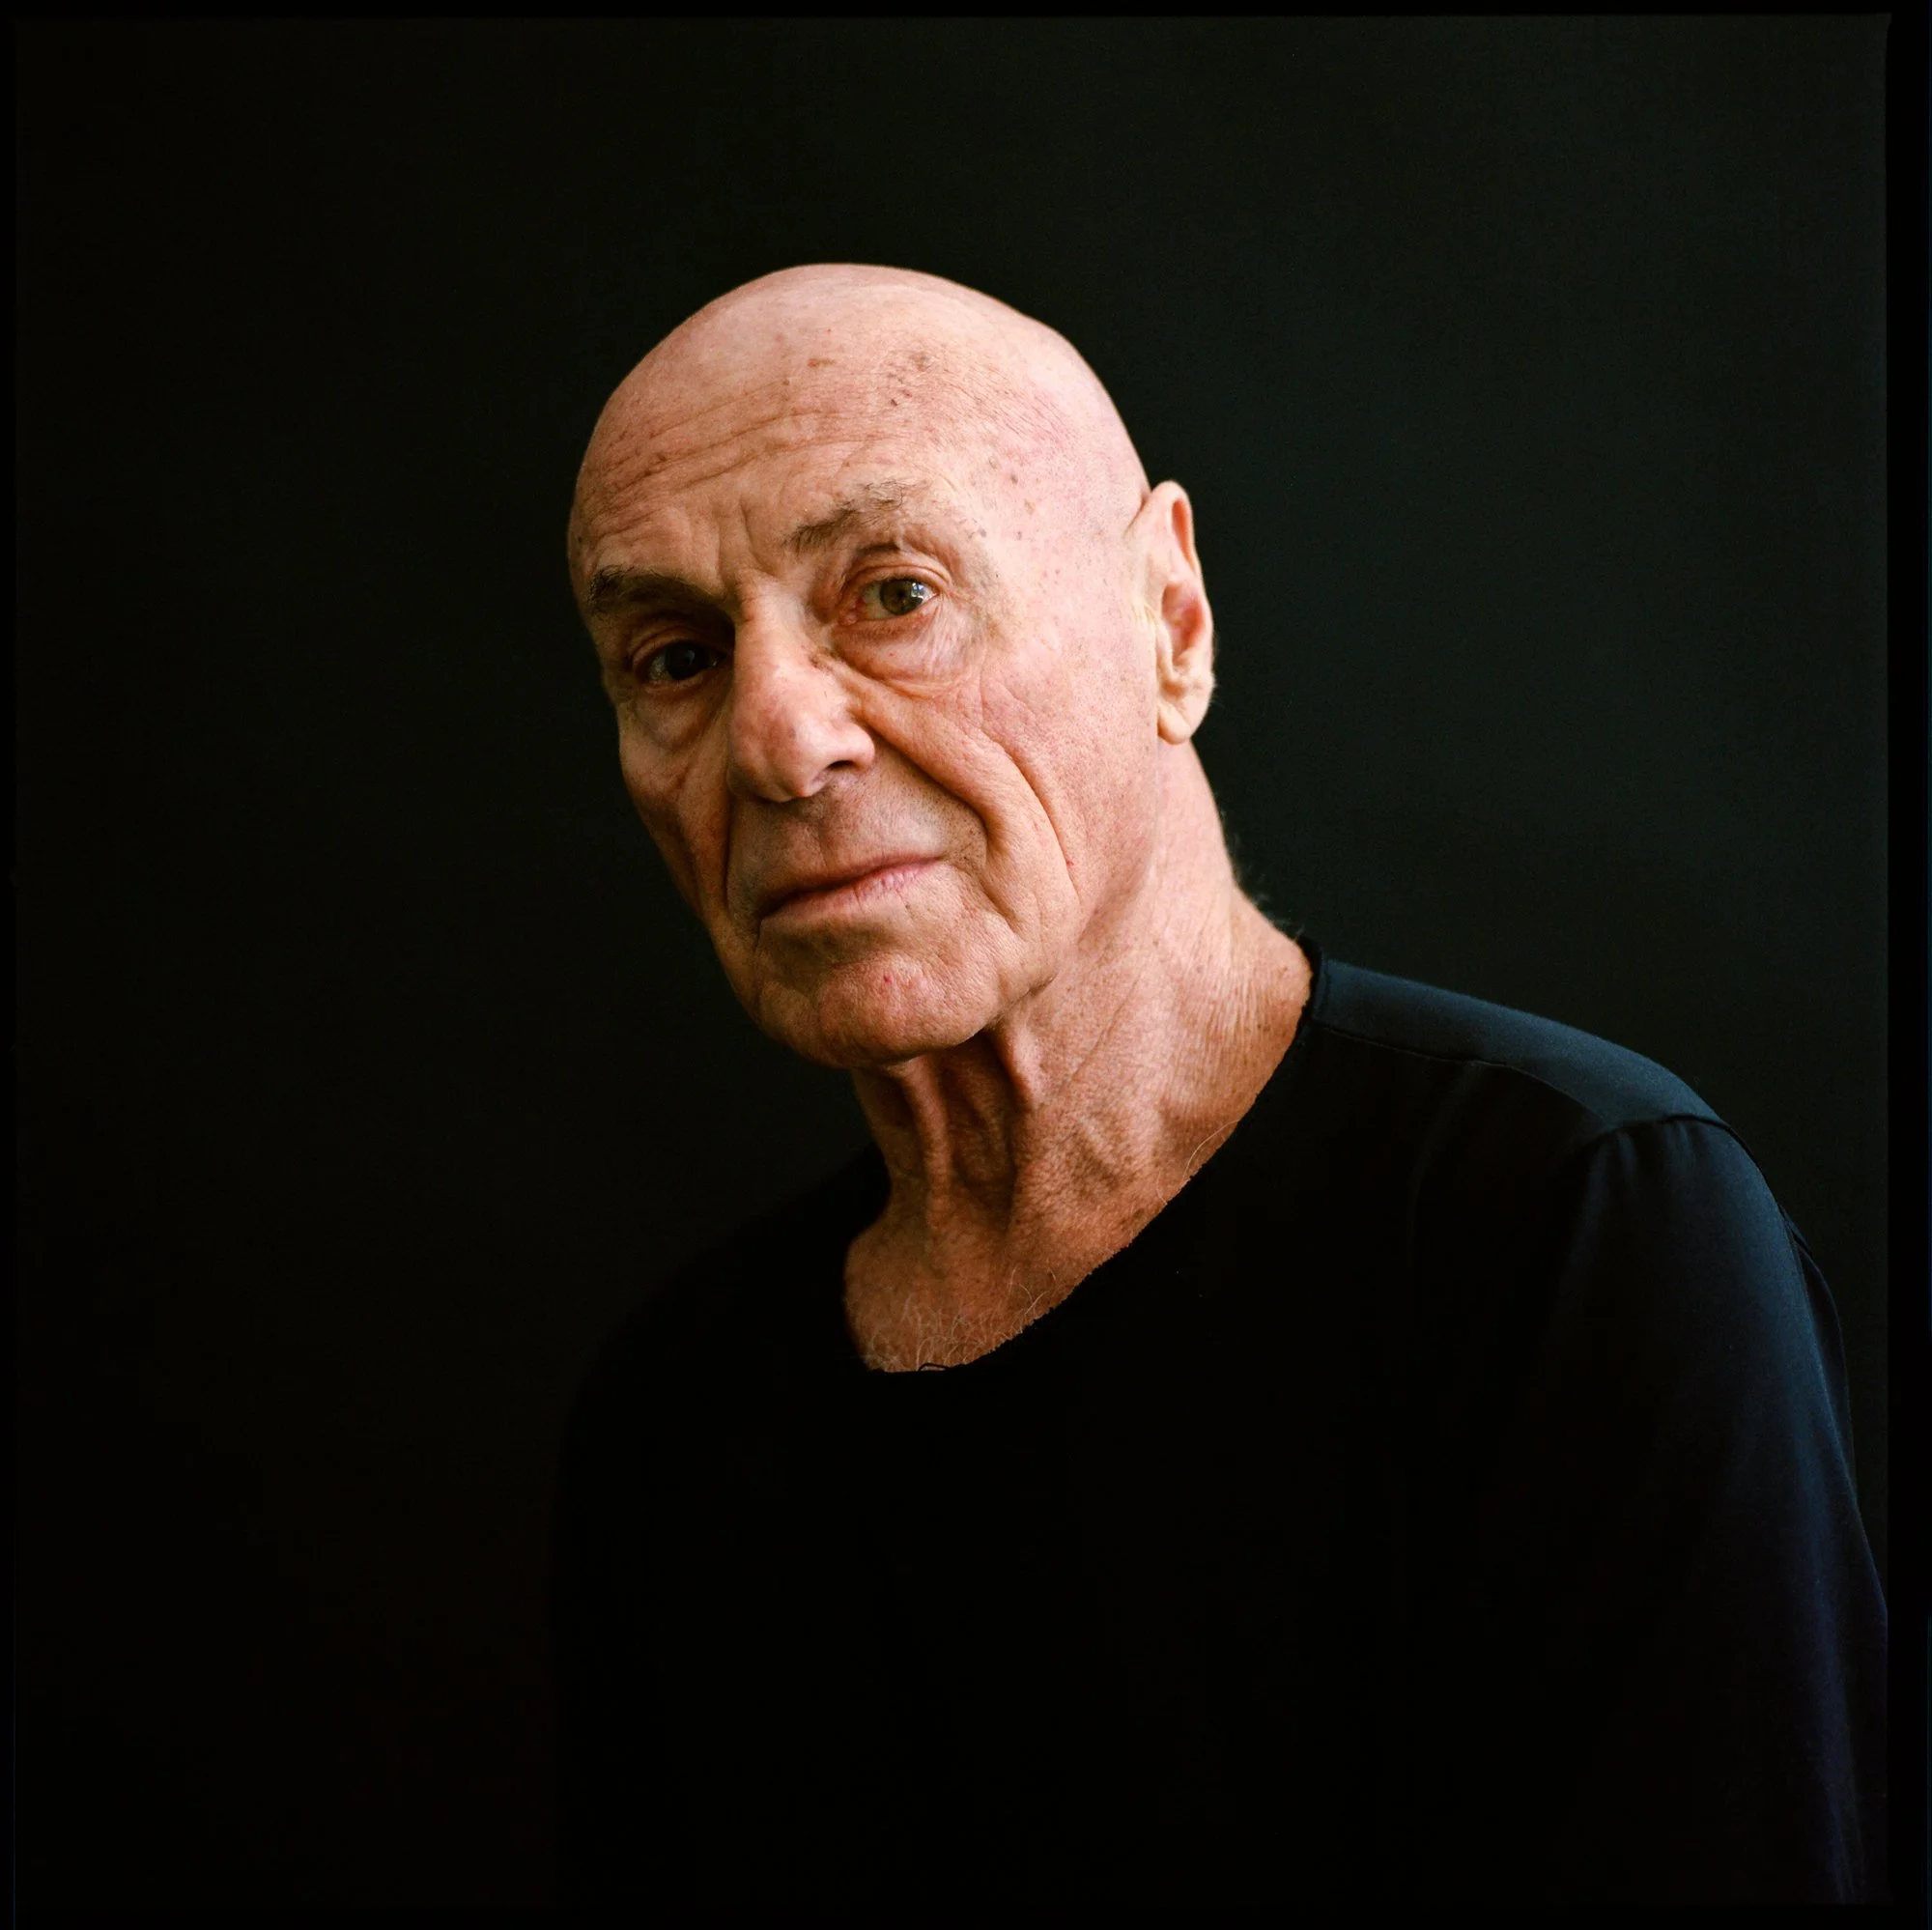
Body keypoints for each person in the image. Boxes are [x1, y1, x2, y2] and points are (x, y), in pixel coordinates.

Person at [551, 264, 1886, 1908]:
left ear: (1169, 626)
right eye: (674, 656)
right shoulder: (673, 1424)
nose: (776, 736)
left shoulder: (1574, 1232)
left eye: (892, 594)